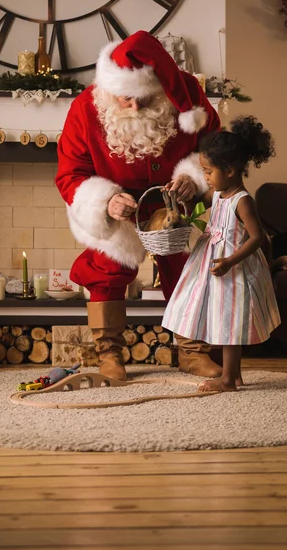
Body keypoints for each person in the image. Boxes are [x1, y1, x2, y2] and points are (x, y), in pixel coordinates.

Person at [55, 30, 222, 381]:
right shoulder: (86, 108)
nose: (132, 107)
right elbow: (71, 174)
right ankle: (109, 355)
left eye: (143, 100)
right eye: (125, 99)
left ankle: (192, 351)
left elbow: (216, 152)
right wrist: (105, 201)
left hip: (174, 202)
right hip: (119, 206)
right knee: (105, 267)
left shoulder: (188, 94)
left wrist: (195, 177)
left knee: (191, 266)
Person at [162, 116, 281, 392]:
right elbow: (204, 215)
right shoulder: (217, 194)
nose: (204, 177)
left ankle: (227, 380)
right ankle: (234, 375)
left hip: (234, 268)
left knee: (231, 322)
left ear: (229, 170)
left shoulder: (242, 201)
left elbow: (257, 238)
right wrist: (181, 203)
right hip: (211, 264)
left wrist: (230, 261)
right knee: (221, 318)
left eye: (208, 171)